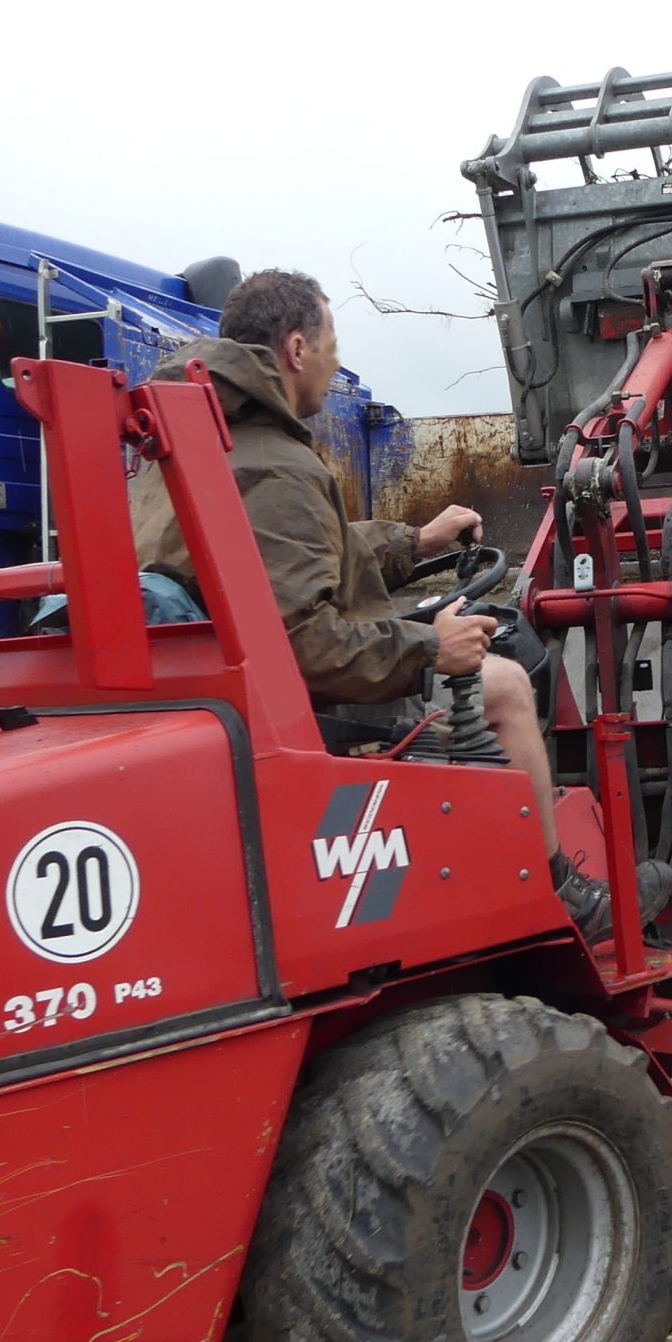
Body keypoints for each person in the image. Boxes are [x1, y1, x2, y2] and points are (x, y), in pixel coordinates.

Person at [132, 268, 621, 933]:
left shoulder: (194, 434)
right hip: (286, 709)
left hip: (210, 681)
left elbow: (285, 554)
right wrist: (430, 646)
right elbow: (305, 642)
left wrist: (414, 542)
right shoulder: (278, 463)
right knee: (504, 679)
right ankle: (558, 894)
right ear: (297, 350)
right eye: (333, 344)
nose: (338, 364)